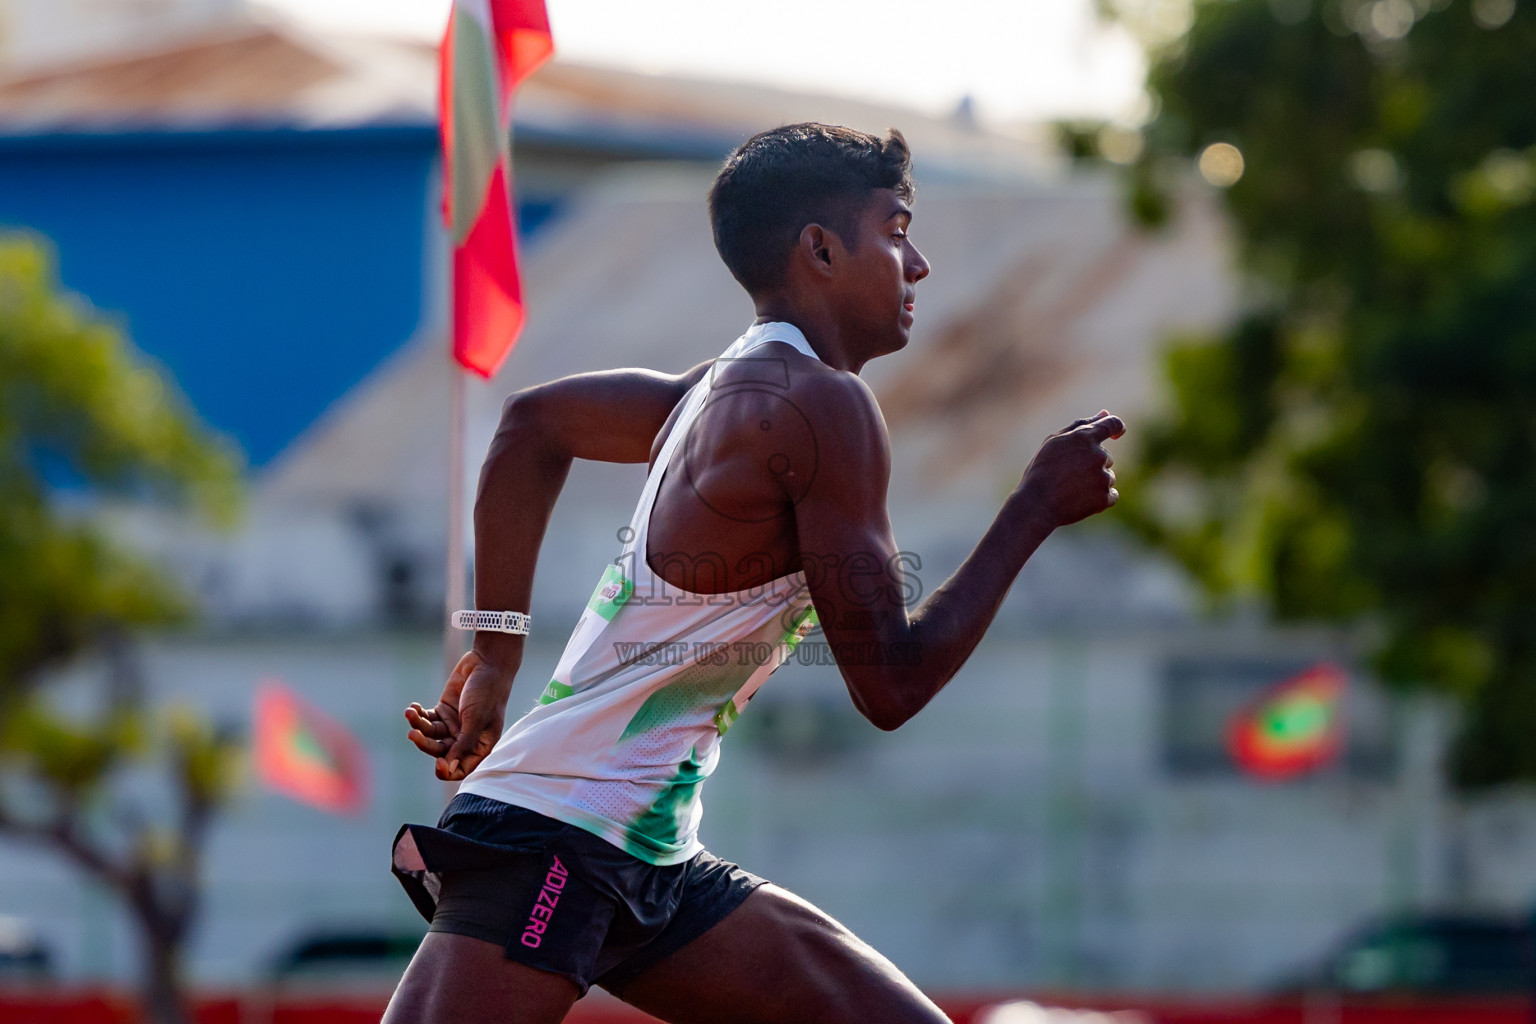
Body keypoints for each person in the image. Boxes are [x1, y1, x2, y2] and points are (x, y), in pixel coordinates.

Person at [384, 123, 1124, 1024]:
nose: (918, 263)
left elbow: (532, 427)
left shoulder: (720, 387)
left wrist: (496, 656)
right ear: (819, 250)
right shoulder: (819, 406)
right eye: (896, 231)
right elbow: (891, 684)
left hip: (652, 853)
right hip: (560, 836)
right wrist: (1032, 509)